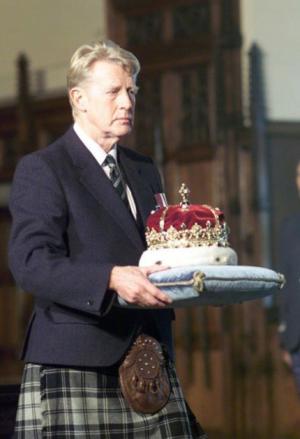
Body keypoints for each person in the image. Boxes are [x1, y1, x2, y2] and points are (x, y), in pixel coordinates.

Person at [9, 40, 206, 438]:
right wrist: (110, 278)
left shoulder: (143, 168)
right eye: (114, 91)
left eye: (131, 90)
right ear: (78, 98)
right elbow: (30, 263)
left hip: (150, 356)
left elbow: (153, 248)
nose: (127, 101)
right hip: (79, 356)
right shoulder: (44, 168)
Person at [279, 160, 300, 395]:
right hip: (297, 342)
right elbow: (285, 284)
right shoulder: (290, 227)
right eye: (298, 175)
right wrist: (285, 337)